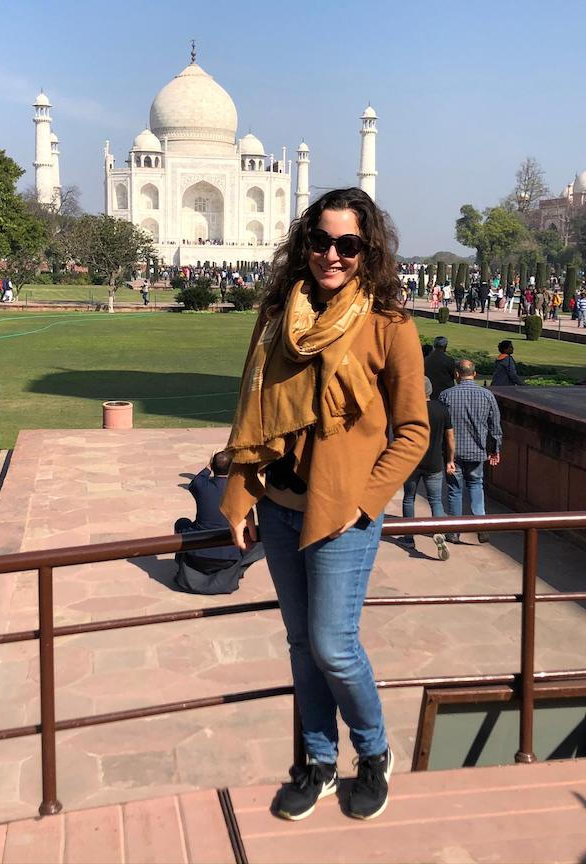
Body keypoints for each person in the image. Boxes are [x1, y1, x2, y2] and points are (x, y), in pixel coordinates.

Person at [220, 187, 429, 822]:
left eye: (348, 244)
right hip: (281, 504)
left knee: (333, 645)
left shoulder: (389, 324)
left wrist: (365, 503)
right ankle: (316, 761)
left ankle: (373, 754)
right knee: (300, 644)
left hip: (342, 513)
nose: (331, 256)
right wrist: (241, 493)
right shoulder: (281, 314)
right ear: (304, 245)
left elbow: (414, 431)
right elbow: (254, 408)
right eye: (321, 242)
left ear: (369, 251)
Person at [174, 450, 264, 594]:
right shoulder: (239, 490)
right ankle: (238, 569)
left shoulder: (201, 486)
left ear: (213, 466)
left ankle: (183, 566)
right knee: (259, 536)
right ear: (233, 467)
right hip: (230, 553)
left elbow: (195, 481)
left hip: (199, 552)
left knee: (181, 523)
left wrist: (209, 465)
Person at [439, 360, 502, 545]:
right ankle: (480, 526)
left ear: (457, 374)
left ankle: (454, 531)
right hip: (477, 450)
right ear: (474, 374)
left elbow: (442, 427)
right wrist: (494, 449)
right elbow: (495, 427)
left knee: (454, 490)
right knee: (476, 486)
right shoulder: (487, 395)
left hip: (453, 453)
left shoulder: (446, 395)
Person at [400, 377, 454, 560]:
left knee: (409, 499)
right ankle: (438, 531)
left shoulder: (409, 409)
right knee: (436, 501)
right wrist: (450, 459)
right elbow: (450, 438)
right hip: (434, 462)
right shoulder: (441, 409)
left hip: (412, 462)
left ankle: (408, 537)